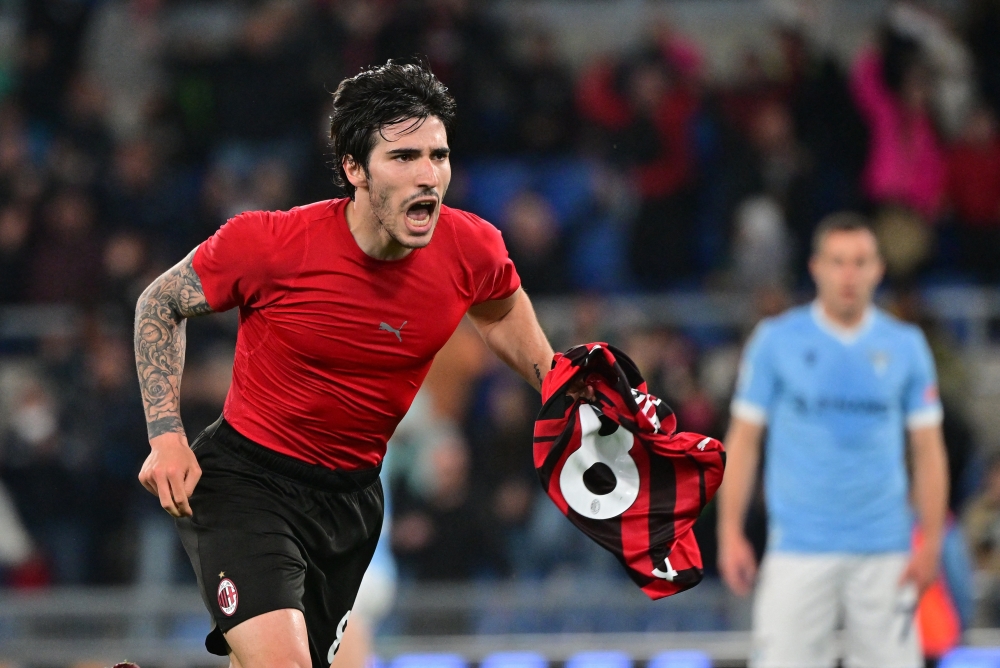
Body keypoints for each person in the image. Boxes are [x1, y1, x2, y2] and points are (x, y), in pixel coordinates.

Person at [132, 61, 556, 668]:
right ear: (354, 169)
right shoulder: (272, 244)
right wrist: (166, 435)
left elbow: (499, 309)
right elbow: (160, 302)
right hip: (249, 484)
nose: (429, 175)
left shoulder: (471, 247)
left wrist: (555, 379)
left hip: (353, 502)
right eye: (404, 157)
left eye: (438, 155)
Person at [717, 212, 949, 668]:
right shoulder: (775, 342)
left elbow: (928, 450)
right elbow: (743, 441)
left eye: (860, 262)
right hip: (797, 548)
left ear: (878, 270)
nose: (849, 274)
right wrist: (729, 531)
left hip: (886, 550)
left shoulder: (906, 346)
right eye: (838, 261)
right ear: (815, 267)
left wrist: (933, 542)